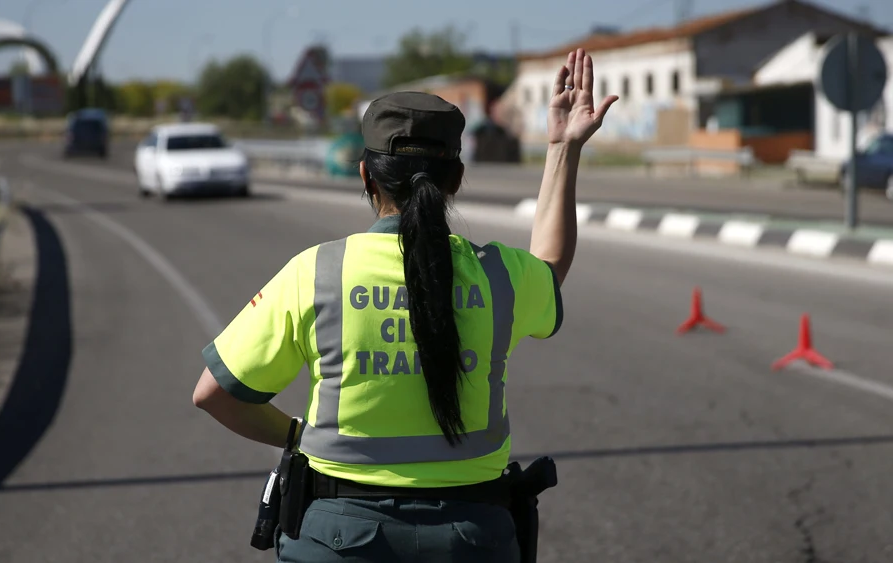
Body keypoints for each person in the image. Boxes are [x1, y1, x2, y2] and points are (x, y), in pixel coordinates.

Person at [192, 48, 617, 563]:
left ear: (368, 177)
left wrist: (298, 435)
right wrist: (562, 148)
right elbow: (550, 264)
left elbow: (214, 394)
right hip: (473, 538)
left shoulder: (317, 271)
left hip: (338, 538)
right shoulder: (501, 275)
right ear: (456, 181)